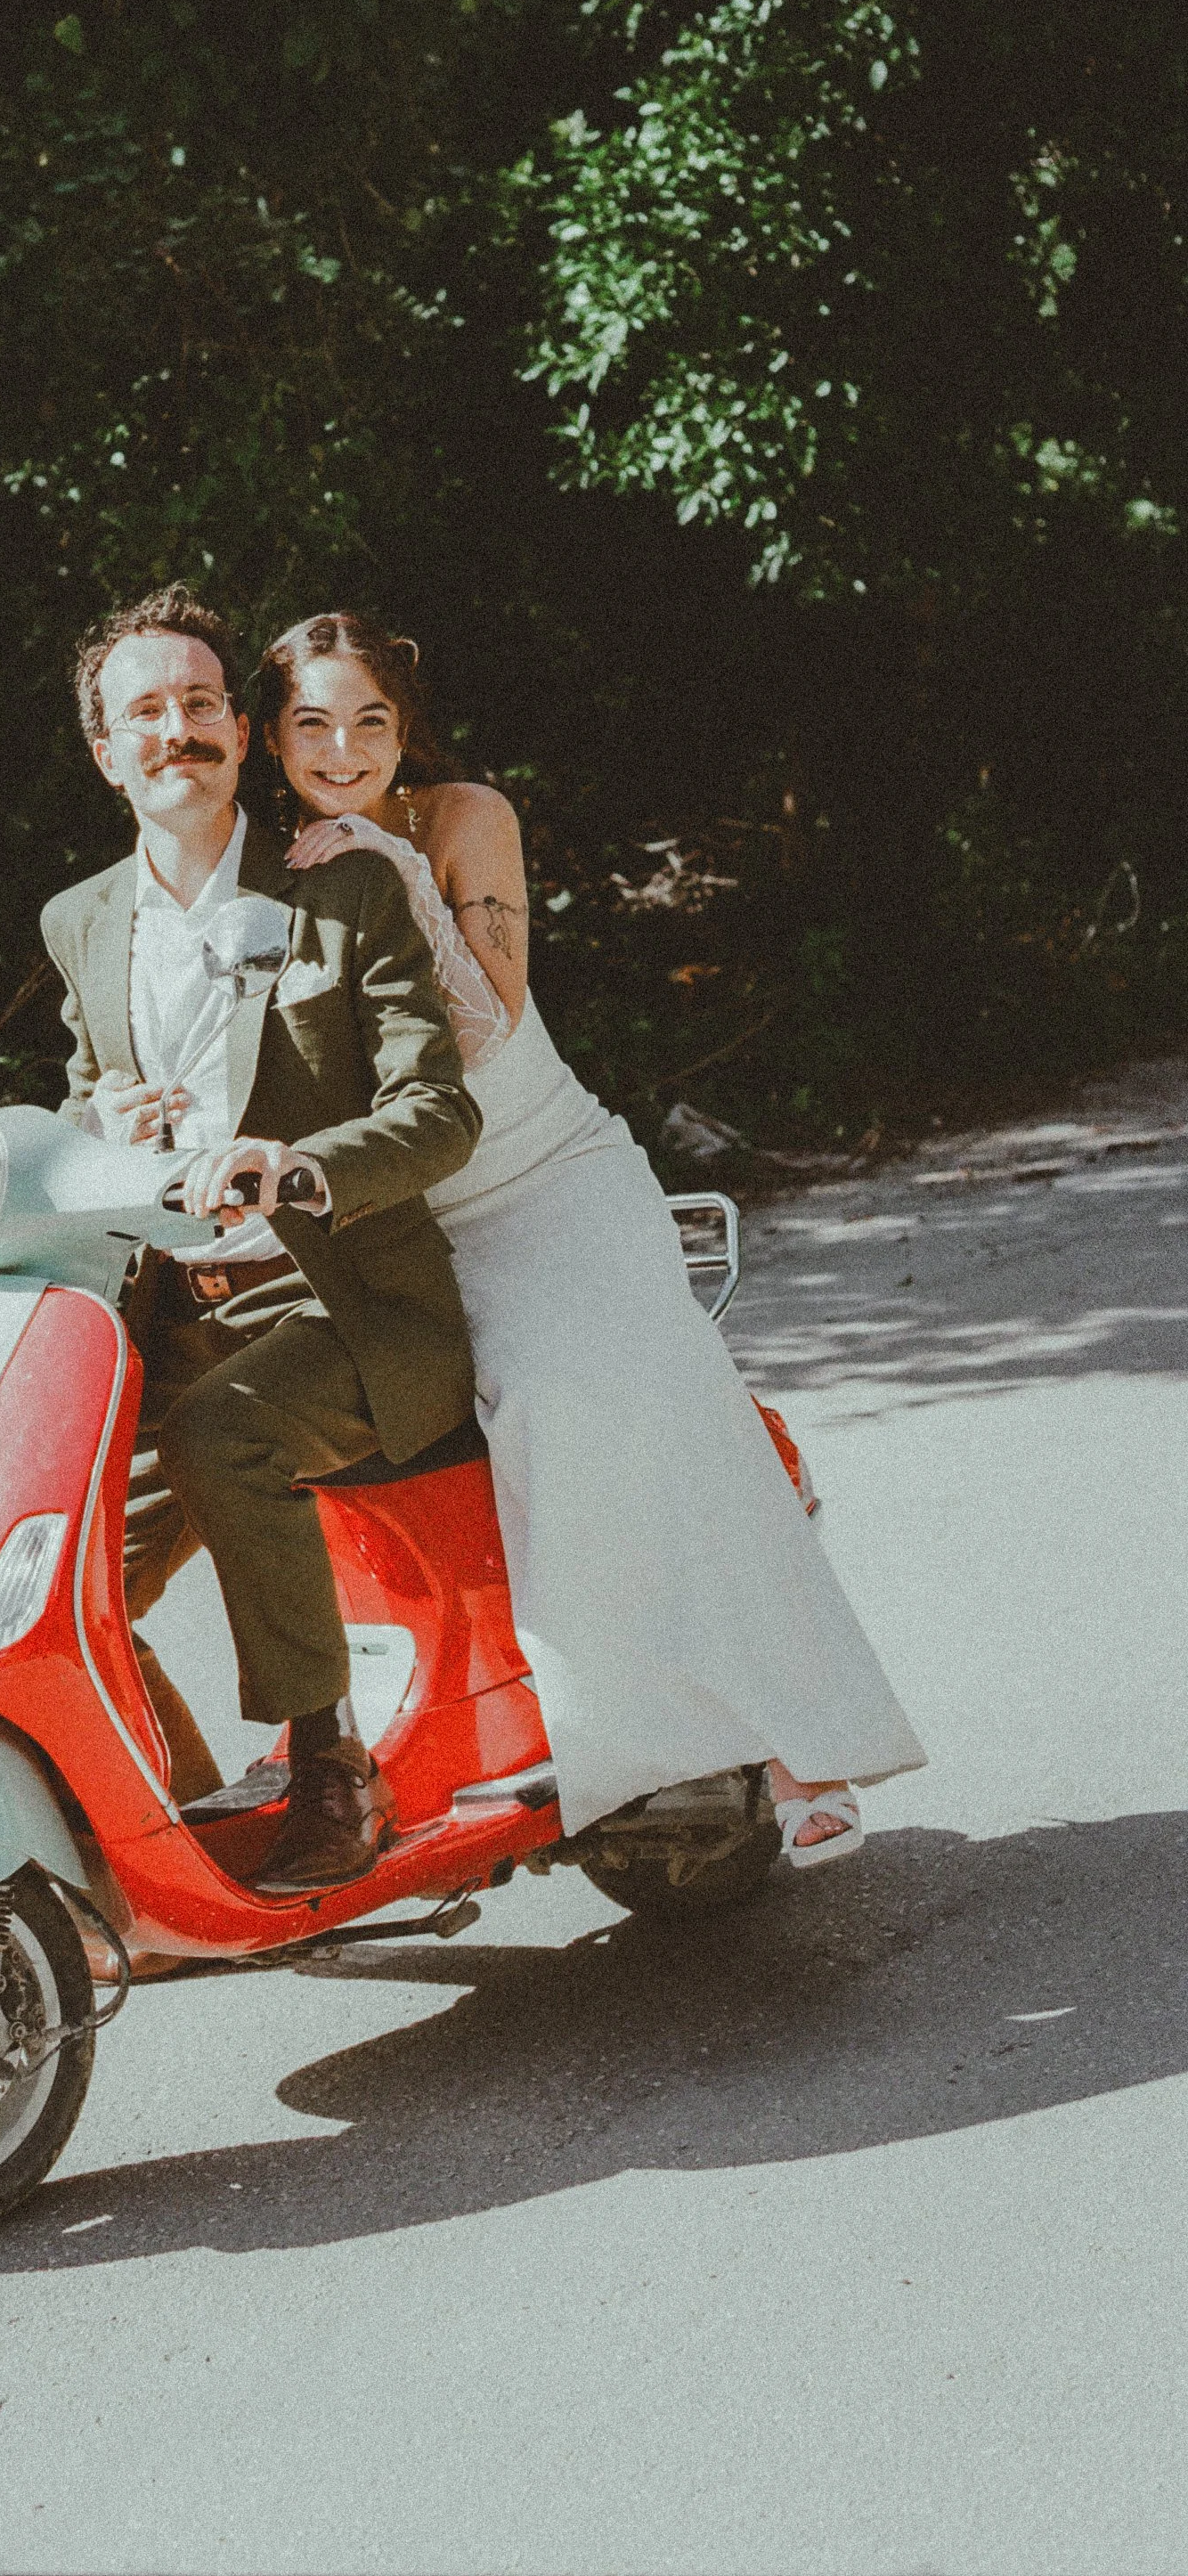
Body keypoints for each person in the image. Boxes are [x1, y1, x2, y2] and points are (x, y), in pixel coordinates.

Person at [250, 607, 928, 1864]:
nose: (344, 750)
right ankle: (373, 1735)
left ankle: (794, 1744)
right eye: (313, 724)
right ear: (271, 737)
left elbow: (489, 1021)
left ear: (406, 726)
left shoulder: (462, 818)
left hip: (551, 1180)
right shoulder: (262, 865)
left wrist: (391, 867)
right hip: (407, 1214)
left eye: (370, 721)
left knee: (625, 1388)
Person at [38, 584, 483, 1893]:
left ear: (241, 732)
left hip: (343, 1307)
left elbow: (438, 1110)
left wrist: (298, 1165)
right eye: (143, 711)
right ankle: (171, 1819)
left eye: (199, 703)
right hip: (172, 1312)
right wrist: (95, 1124)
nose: (174, 729)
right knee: (58, 1566)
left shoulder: (343, 888)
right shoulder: (79, 922)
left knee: (221, 1437)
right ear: (106, 752)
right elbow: (77, 1104)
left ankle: (332, 1766)